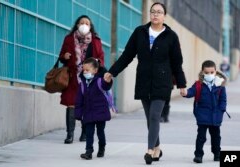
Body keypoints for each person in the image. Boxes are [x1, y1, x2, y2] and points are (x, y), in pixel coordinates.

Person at [104, 2, 186, 165]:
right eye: (153, 11)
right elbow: (127, 55)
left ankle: (149, 150)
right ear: (150, 14)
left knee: (155, 115)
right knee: (150, 117)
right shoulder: (140, 32)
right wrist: (112, 72)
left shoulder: (171, 36)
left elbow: (177, 63)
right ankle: (157, 148)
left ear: (164, 16)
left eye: (159, 12)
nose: (155, 14)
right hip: (144, 80)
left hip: (162, 82)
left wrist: (182, 84)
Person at [59, 15, 104, 144]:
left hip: (88, 78)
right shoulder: (69, 39)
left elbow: (101, 58)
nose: (84, 25)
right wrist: (65, 56)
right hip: (72, 77)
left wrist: (97, 61)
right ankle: (70, 134)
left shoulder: (96, 41)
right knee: (71, 105)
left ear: (90, 26)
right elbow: (61, 56)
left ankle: (85, 133)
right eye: (81, 22)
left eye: (87, 23)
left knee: (86, 105)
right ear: (77, 25)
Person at [181, 60, 227, 163]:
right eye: (206, 72)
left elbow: (223, 99)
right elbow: (192, 91)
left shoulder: (220, 84)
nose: (209, 74)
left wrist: (221, 110)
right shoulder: (198, 84)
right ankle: (198, 155)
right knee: (201, 137)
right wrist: (185, 93)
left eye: (212, 72)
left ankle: (217, 154)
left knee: (216, 137)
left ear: (216, 71)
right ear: (202, 72)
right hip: (202, 115)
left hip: (216, 116)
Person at [75, 58, 112, 160]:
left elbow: (106, 85)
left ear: (95, 70)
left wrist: (108, 80)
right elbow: (79, 101)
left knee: (100, 132)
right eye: (84, 70)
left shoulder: (100, 81)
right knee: (89, 133)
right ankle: (89, 151)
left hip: (100, 113)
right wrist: (78, 114)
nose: (85, 72)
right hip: (88, 113)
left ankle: (102, 147)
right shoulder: (82, 84)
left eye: (87, 70)